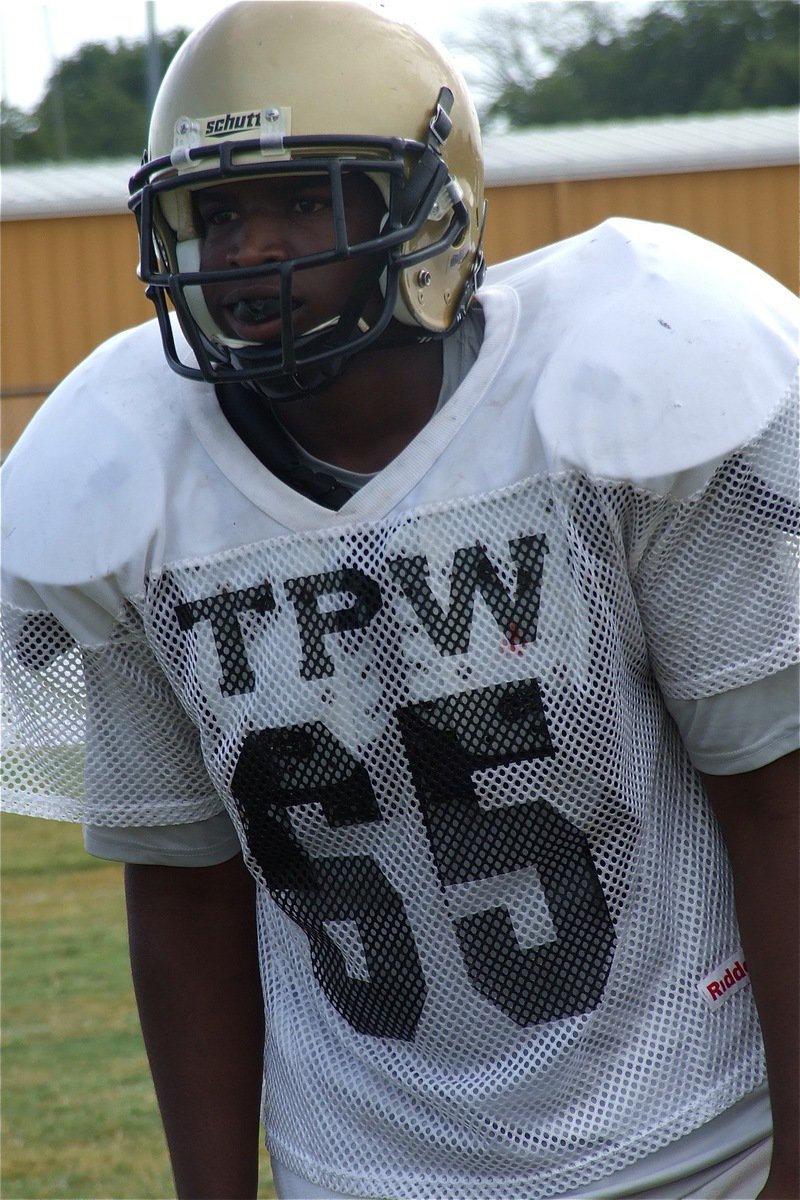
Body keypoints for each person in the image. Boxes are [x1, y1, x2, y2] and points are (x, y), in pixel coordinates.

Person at [2, 3, 797, 1198]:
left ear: (424, 209)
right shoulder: (130, 487)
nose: (246, 252)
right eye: (215, 213)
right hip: (365, 1169)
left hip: (696, 1140)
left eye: (299, 201)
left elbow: (774, 805)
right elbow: (184, 884)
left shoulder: (614, 402)